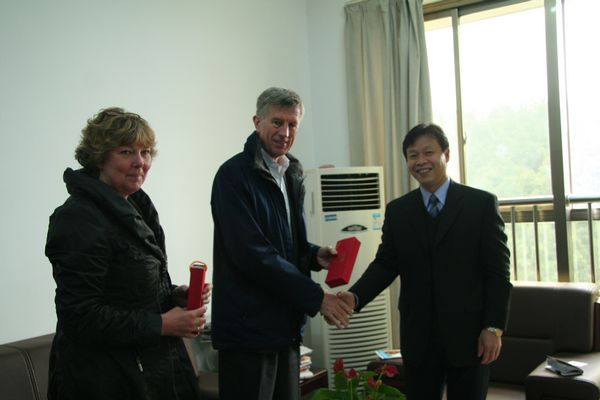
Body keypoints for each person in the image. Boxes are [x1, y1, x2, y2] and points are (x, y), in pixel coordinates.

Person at [45, 107, 211, 400]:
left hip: (145, 370)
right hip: (101, 381)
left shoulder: (136, 205)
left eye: (145, 152)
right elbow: (79, 316)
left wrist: (172, 296)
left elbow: (125, 289)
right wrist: (162, 324)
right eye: (126, 152)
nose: (140, 162)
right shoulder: (78, 218)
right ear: (100, 157)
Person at [338, 123, 512, 400]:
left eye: (428, 152)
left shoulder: (480, 205)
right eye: (413, 155)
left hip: (469, 337)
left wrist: (493, 328)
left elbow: (498, 273)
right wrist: (355, 296)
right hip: (418, 338)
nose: (420, 161)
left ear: (446, 154)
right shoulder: (398, 210)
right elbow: (385, 264)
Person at [210, 87, 353, 400]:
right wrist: (317, 297)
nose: (285, 133)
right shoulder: (232, 176)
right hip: (248, 335)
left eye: (292, 124)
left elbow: (283, 242)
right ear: (257, 121)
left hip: (285, 328)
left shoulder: (291, 172)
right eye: (277, 122)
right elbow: (253, 255)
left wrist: (314, 255)